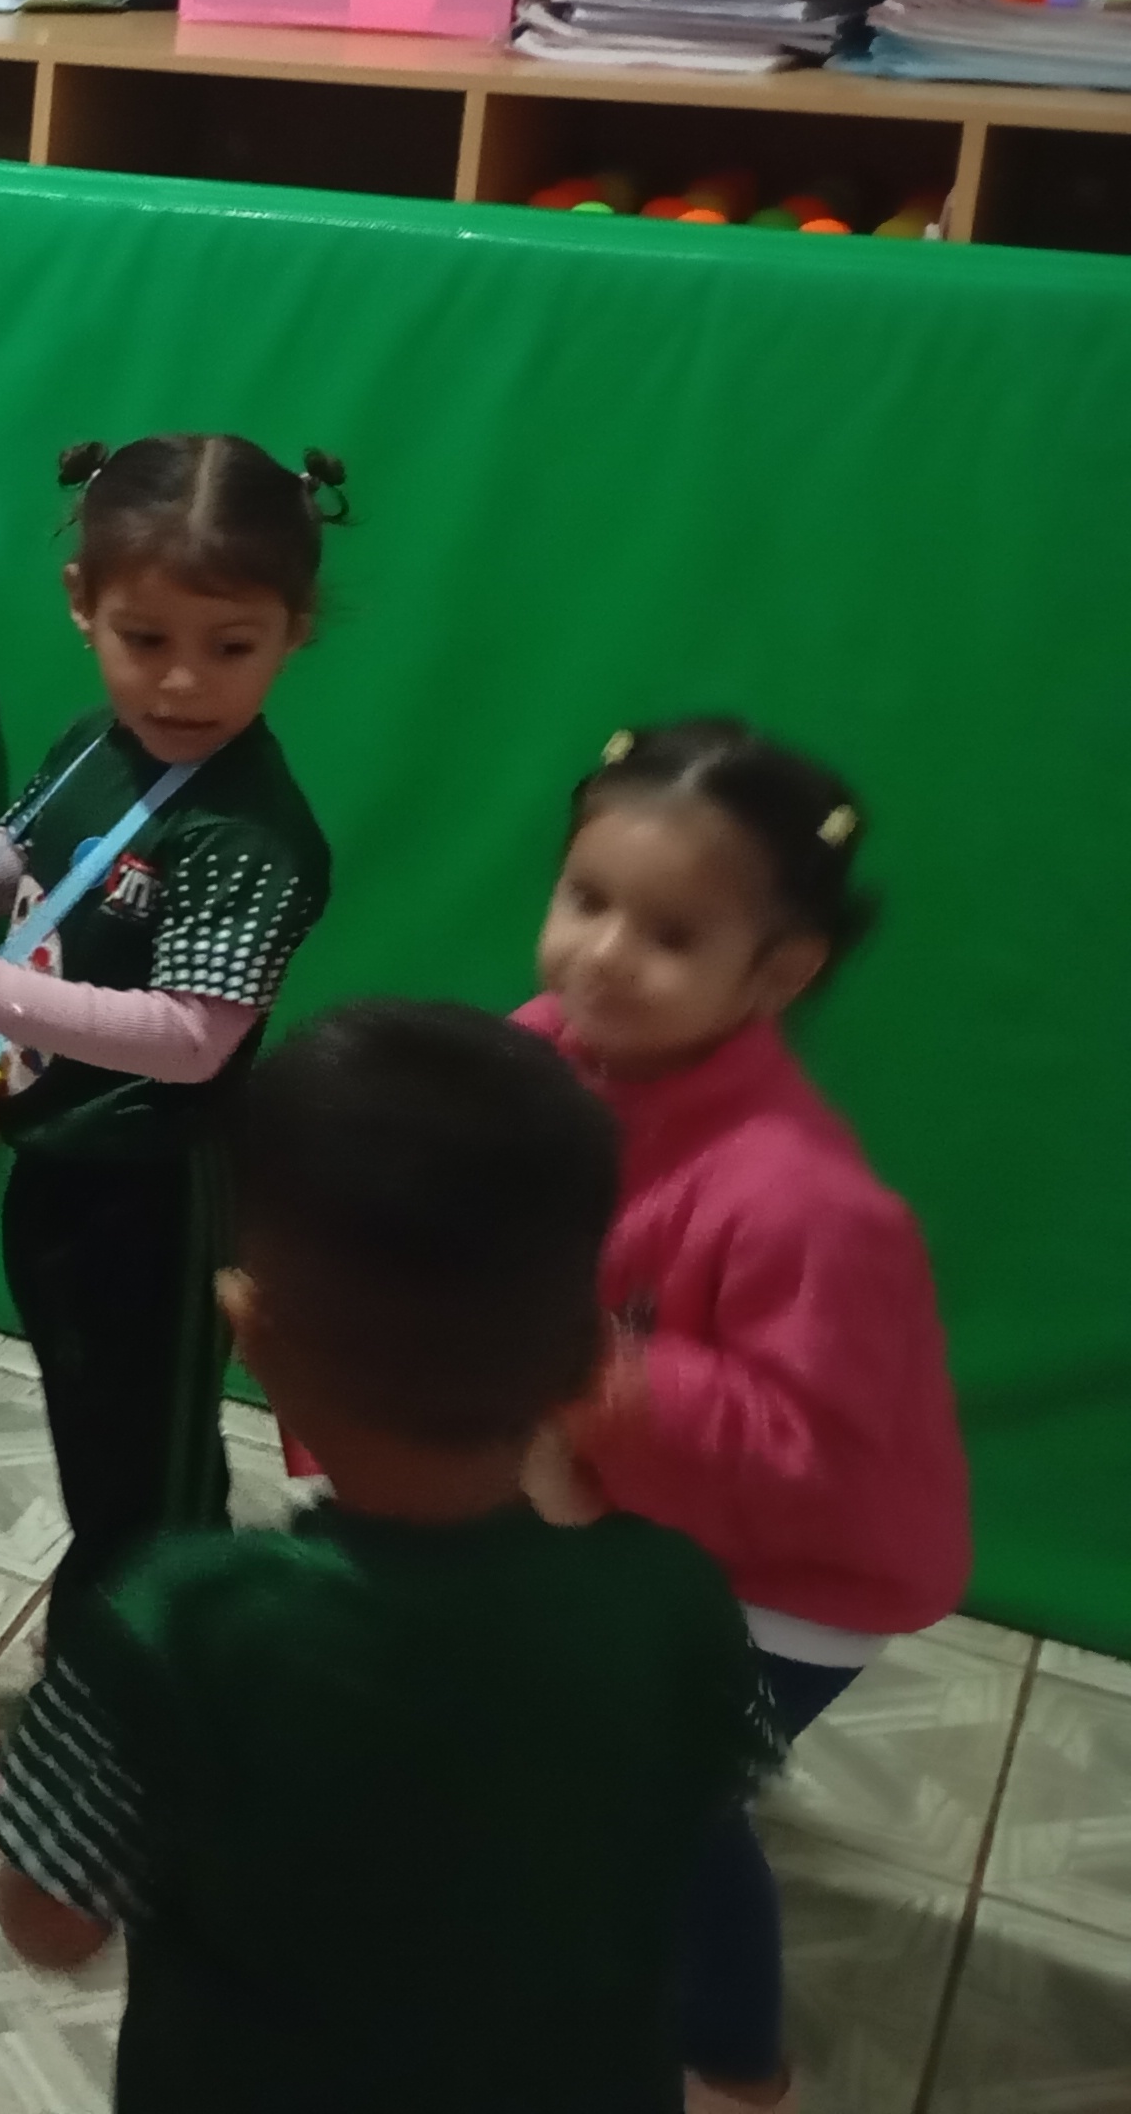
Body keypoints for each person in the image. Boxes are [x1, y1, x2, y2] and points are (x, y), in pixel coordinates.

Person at [0, 1001, 779, 2113]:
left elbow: (48, 1923)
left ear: (250, 1333)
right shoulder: (676, 1602)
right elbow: (702, 1806)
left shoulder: (175, 1620)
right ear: (590, 1361)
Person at [0, 435, 340, 1842]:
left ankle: (101, 1772)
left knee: (142, 1502)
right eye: (145, 639)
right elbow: (20, 851)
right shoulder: (104, 747)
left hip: (154, 1198)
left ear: (294, 630)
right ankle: (164, 1695)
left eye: (232, 646)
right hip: (65, 1171)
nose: (182, 683)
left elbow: (191, 1037)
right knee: (121, 1473)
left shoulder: (250, 831)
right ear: (81, 606)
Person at [519, 724, 970, 2114]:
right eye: (587, 899)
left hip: (798, 1580)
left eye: (669, 934)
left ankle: (732, 2064)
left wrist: (592, 1371)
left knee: (665, 1806)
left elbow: (805, 1451)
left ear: (781, 972)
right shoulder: (549, 1051)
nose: (602, 955)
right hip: (641, 1520)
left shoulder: (801, 1200)